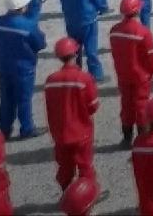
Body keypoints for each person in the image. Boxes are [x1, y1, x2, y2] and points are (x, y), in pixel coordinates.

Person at [45, 37, 99, 193]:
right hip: (81, 131)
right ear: (76, 53)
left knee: (65, 166)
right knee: (85, 165)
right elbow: (93, 106)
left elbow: (49, 106)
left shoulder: (51, 80)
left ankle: (67, 193)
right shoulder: (84, 79)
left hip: (60, 132)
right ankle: (86, 195)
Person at [0, 0, 46, 138]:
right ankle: (27, 128)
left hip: (3, 65)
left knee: (6, 97)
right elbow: (40, 43)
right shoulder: (28, 26)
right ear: (22, 7)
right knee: (24, 98)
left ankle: (4, 128)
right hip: (23, 67)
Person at [110, 0, 153, 148]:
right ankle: (143, 138)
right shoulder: (143, 32)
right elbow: (151, 57)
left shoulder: (114, 30)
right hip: (140, 75)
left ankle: (126, 138)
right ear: (137, 10)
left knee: (126, 105)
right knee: (141, 105)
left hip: (123, 74)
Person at [56, 0, 105, 81]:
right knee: (91, 49)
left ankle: (75, 73)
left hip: (71, 20)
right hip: (88, 19)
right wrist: (101, 8)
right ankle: (96, 75)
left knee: (74, 49)